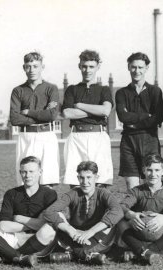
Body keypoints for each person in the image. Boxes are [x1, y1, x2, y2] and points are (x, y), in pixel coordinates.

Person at [0, 156, 58, 267]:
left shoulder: (49, 194)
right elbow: (3, 226)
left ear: (40, 172)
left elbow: (46, 224)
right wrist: (33, 224)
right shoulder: (11, 193)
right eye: (24, 172)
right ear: (20, 172)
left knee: (49, 230)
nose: (27, 175)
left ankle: (6, 256)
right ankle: (19, 258)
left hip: (38, 240)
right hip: (14, 238)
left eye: (31, 171)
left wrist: (21, 219)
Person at [42, 161, 123, 265]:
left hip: (96, 238)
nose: (85, 182)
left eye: (89, 177)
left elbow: (118, 211)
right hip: (74, 236)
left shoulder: (103, 193)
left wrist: (91, 232)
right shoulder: (73, 193)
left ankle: (71, 254)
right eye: (81, 178)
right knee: (58, 216)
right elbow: (49, 212)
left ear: (96, 178)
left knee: (112, 218)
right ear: (77, 178)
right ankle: (87, 256)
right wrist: (70, 230)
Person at [117, 154, 163, 265]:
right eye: (149, 170)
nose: (153, 174)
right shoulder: (137, 190)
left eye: (157, 170)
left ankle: (141, 252)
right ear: (143, 170)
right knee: (120, 221)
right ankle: (142, 250)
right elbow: (121, 206)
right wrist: (131, 215)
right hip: (139, 236)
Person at [62, 50, 113, 188]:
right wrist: (96, 111)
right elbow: (67, 113)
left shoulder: (104, 90)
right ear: (80, 66)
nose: (87, 70)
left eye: (91, 66)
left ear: (98, 67)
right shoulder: (72, 89)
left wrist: (80, 105)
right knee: (76, 183)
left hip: (99, 136)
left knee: (101, 183)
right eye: (84, 66)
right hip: (76, 137)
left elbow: (106, 110)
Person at [10, 52, 60, 187]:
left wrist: (28, 112)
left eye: (35, 66)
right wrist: (41, 115)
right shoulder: (18, 90)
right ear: (23, 68)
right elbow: (14, 119)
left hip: (46, 136)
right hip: (25, 137)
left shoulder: (51, 88)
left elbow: (52, 116)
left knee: (47, 182)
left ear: (42, 67)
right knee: (26, 180)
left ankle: (49, 209)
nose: (32, 70)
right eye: (28, 66)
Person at [115, 53, 163, 190]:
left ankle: (153, 211)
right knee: (132, 186)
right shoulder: (121, 93)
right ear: (128, 67)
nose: (137, 71)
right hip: (128, 141)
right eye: (134, 67)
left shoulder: (155, 91)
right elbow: (123, 117)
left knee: (153, 183)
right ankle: (135, 212)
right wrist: (147, 115)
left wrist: (135, 121)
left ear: (146, 68)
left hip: (150, 139)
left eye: (140, 67)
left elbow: (158, 118)